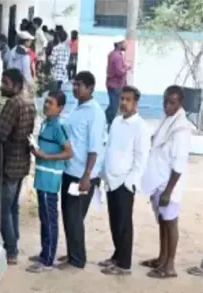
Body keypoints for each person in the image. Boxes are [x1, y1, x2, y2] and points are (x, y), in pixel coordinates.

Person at [140, 85, 191, 279]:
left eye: (172, 103)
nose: (167, 106)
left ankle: (170, 265)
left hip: (170, 185)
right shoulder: (167, 119)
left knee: (170, 222)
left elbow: (178, 164)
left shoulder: (181, 129)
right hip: (159, 180)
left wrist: (168, 191)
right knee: (162, 221)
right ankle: (161, 258)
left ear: (180, 103)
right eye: (165, 102)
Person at [100, 85, 150, 276]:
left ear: (135, 103)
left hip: (125, 182)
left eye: (128, 100)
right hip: (111, 180)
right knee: (114, 220)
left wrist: (130, 182)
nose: (123, 103)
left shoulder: (141, 127)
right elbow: (109, 147)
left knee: (124, 223)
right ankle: (117, 255)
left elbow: (141, 158)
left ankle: (124, 264)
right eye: (122, 99)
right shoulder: (116, 121)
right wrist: (104, 173)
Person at [59, 71, 106, 270]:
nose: (75, 88)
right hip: (70, 170)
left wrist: (87, 175)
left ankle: (77, 259)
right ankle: (72, 252)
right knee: (69, 215)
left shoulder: (95, 112)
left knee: (74, 216)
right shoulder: (77, 108)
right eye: (74, 84)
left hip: (82, 174)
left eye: (79, 85)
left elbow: (94, 147)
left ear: (90, 88)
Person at [27, 90, 72, 273]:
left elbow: (68, 152)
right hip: (41, 176)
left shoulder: (59, 126)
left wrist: (46, 156)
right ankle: (44, 252)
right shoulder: (46, 123)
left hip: (50, 179)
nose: (46, 105)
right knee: (44, 217)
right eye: (46, 102)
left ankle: (48, 261)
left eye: (51, 103)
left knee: (49, 219)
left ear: (60, 108)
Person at [0, 68, 36, 265]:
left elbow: (2, 133)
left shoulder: (13, 104)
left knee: (3, 207)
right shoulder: (29, 102)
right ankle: (14, 241)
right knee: (12, 206)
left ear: (17, 85)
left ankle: (11, 249)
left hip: (9, 161)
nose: (2, 86)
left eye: (6, 83)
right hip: (22, 160)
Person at [106, 36, 128, 126]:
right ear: (119, 44)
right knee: (114, 108)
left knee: (113, 105)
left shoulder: (112, 54)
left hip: (112, 84)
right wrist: (126, 68)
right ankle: (107, 123)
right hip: (116, 86)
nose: (125, 45)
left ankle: (106, 121)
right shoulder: (117, 56)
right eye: (124, 43)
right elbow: (119, 72)